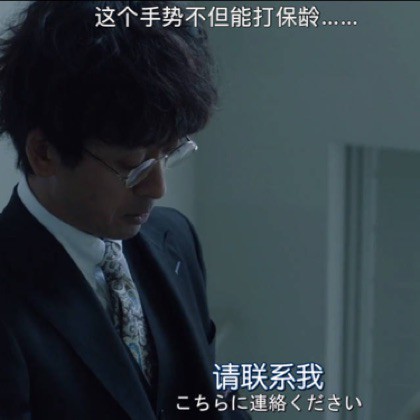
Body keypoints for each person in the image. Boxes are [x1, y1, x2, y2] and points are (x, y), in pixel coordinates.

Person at [0, 1, 249, 419]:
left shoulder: (174, 238)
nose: (158, 188)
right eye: (132, 167)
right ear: (44, 153)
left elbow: (210, 398)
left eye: (169, 154)